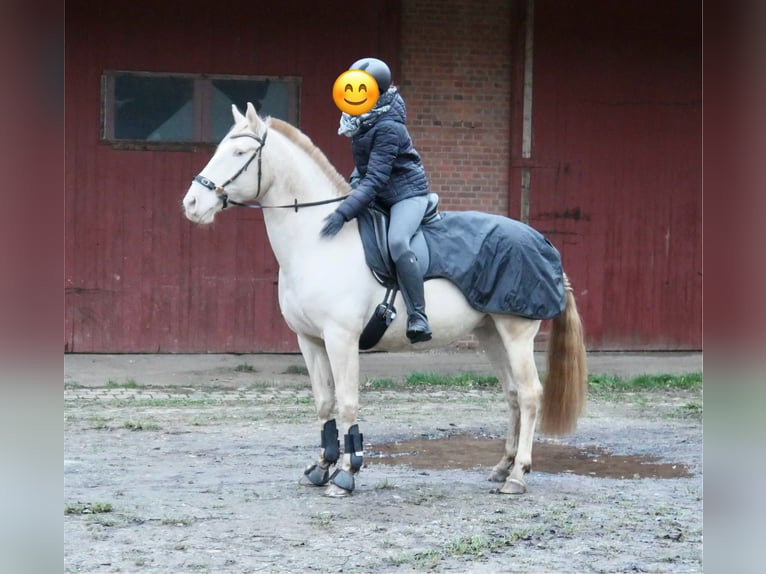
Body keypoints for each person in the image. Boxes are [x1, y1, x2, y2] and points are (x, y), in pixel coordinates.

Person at [320, 57, 432, 343]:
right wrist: (352, 188)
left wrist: (344, 211)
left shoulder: (388, 127)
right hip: (379, 190)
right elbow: (365, 168)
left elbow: (377, 176)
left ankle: (419, 315)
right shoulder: (360, 121)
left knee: (396, 242)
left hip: (407, 194)